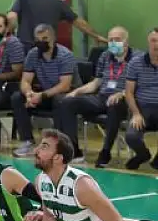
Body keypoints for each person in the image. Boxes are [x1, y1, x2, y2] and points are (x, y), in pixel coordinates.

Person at [21, 129, 130, 221]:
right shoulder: (41, 181)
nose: (36, 150)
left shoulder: (81, 185)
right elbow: (49, 216)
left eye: (44, 146)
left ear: (58, 158)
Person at [59, 26, 138, 168]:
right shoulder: (105, 56)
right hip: (102, 97)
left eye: (117, 40)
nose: (113, 43)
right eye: (110, 40)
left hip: (124, 99)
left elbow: (140, 85)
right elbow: (96, 82)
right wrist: (77, 92)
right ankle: (74, 150)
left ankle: (105, 152)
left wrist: (122, 93)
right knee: (67, 102)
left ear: (126, 41)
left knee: (114, 105)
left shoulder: (137, 59)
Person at [11, 23, 78, 159]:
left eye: (45, 39)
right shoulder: (33, 54)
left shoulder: (65, 55)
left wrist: (41, 96)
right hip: (44, 93)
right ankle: (27, 141)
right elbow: (25, 80)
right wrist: (29, 94)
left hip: (66, 94)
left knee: (60, 100)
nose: (41, 42)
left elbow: (65, 85)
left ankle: (59, 145)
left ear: (53, 38)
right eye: (38, 39)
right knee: (17, 97)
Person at [7, 0, 105, 52]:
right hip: (46, 47)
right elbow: (78, 22)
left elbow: (11, 17)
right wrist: (96, 36)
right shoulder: (58, 1)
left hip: (24, 46)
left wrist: (9, 34)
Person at [124, 27, 158, 170]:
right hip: (142, 109)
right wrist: (136, 114)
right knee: (131, 136)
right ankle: (143, 155)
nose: (156, 45)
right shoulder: (135, 63)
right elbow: (129, 92)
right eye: (154, 40)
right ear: (148, 42)